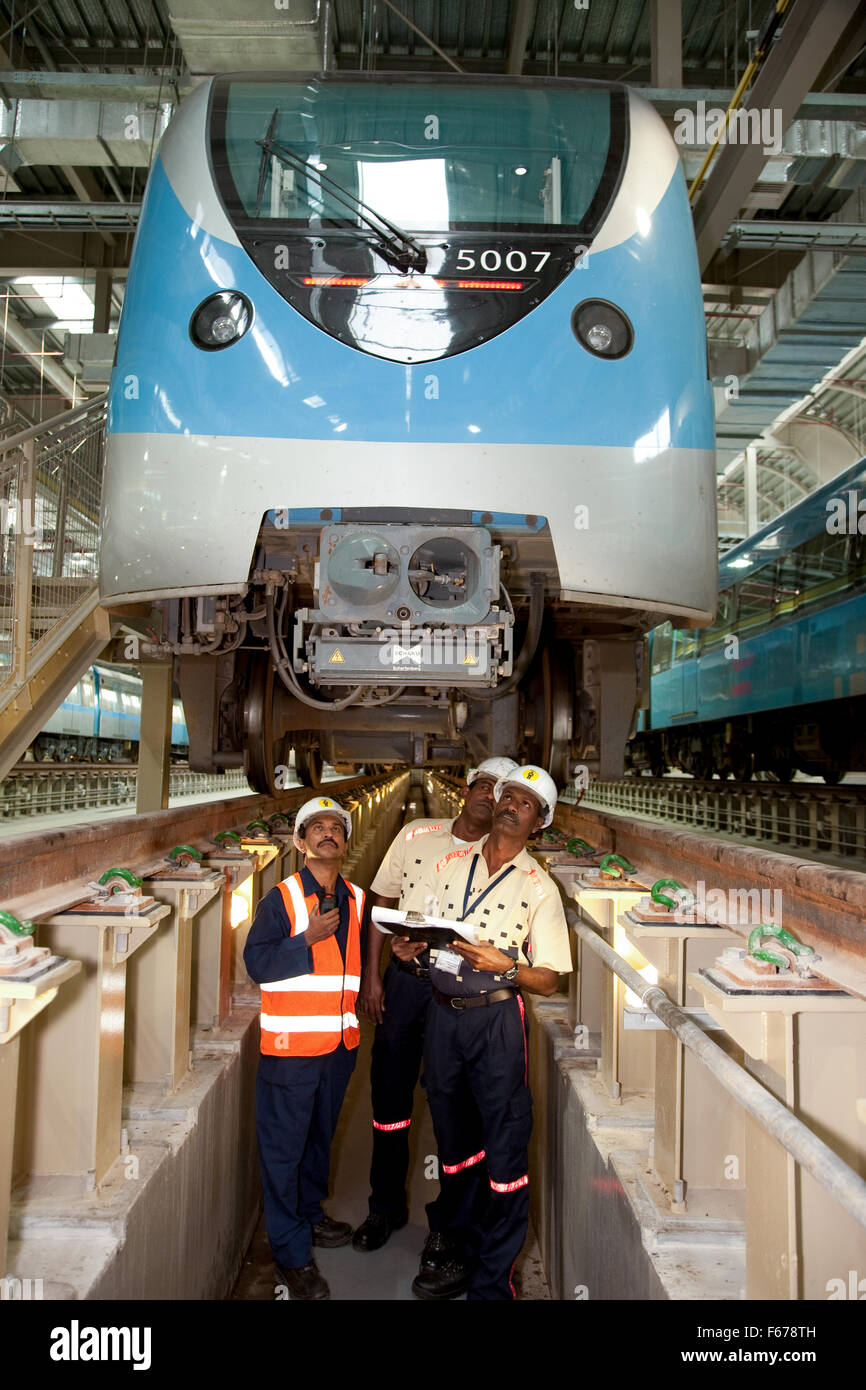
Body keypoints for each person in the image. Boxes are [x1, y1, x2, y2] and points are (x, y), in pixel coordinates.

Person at [398, 764, 572, 1301]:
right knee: (453, 1139)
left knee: (503, 1146)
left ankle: (495, 1280)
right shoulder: (451, 863)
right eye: (508, 795)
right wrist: (411, 949)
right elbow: (426, 928)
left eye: (525, 803)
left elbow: (549, 978)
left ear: (538, 823)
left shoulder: (539, 888)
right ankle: (455, 1246)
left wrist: (506, 966)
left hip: (496, 1020)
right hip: (444, 1014)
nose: (511, 805)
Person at [352, 757, 518, 1261]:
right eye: (485, 787)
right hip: (406, 988)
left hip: (462, 998)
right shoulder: (416, 834)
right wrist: (371, 977)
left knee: (453, 1110)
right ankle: (385, 1205)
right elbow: (380, 903)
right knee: (389, 1100)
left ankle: (447, 1226)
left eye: (503, 795)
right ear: (466, 790)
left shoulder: (506, 859)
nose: (492, 798)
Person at [243, 795, 366, 1300]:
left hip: (338, 1046)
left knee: (318, 1138)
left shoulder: (357, 897)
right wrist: (306, 938)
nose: (328, 832)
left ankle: (310, 1215)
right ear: (300, 842)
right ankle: (291, 1255)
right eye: (316, 827)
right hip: (291, 1048)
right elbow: (258, 963)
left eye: (336, 826)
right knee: (283, 1151)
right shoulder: (283, 899)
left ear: (345, 841)